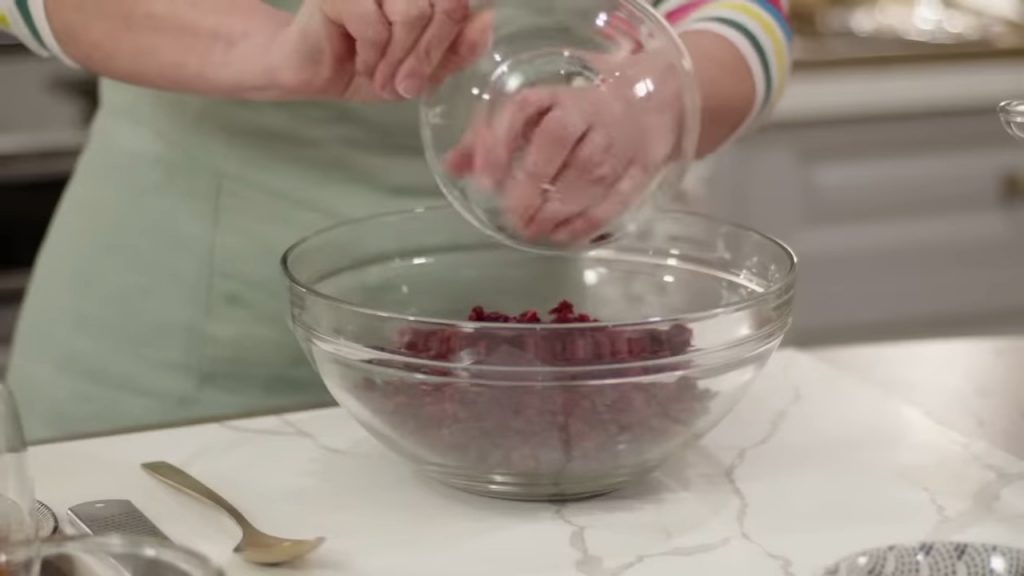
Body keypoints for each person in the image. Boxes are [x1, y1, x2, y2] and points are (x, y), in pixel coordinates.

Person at [0, 0, 791, 442]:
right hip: (167, 366)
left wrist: (653, 99)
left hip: (513, 376)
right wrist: (279, 52)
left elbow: (741, 15)